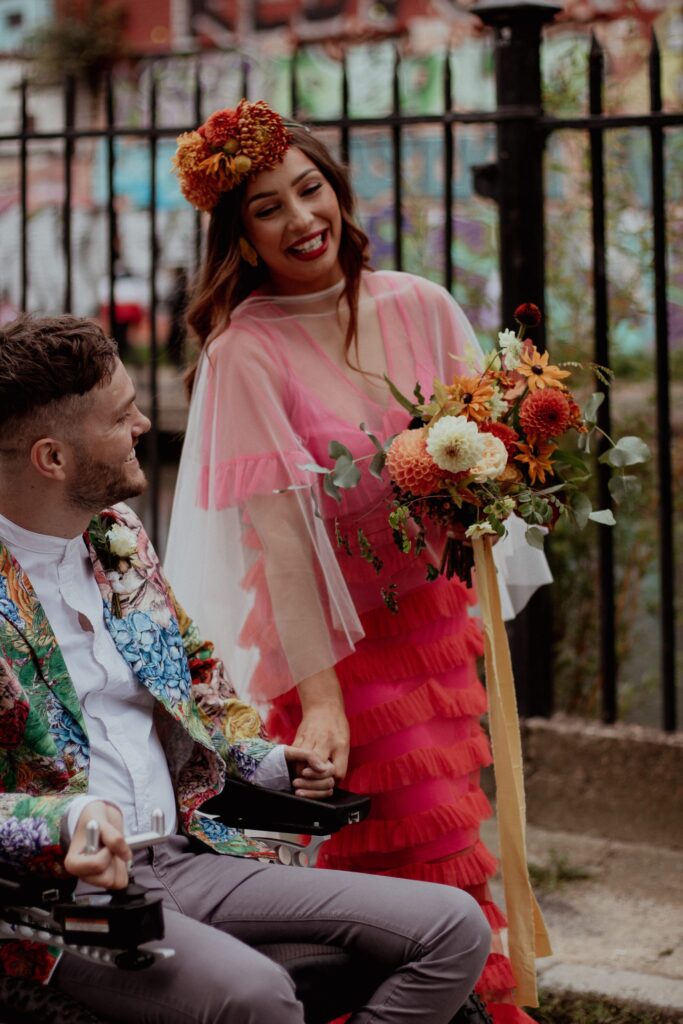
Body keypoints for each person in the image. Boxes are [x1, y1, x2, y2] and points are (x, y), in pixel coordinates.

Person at [165, 100, 550, 1023]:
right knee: (405, 847)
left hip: (431, 622)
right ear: (241, 236)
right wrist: (325, 699)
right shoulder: (244, 352)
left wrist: (478, 497)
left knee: (444, 834)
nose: (302, 220)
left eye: (310, 190)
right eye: (268, 208)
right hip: (337, 647)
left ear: (337, 192)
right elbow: (285, 550)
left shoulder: (419, 304)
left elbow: (483, 460)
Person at [0, 314, 491, 1024]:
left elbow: (198, 680)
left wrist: (265, 763)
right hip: (56, 902)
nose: (143, 422)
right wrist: (67, 818)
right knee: (254, 996)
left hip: (184, 854)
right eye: (120, 415)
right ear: (53, 458)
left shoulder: (118, 536)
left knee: (452, 927)